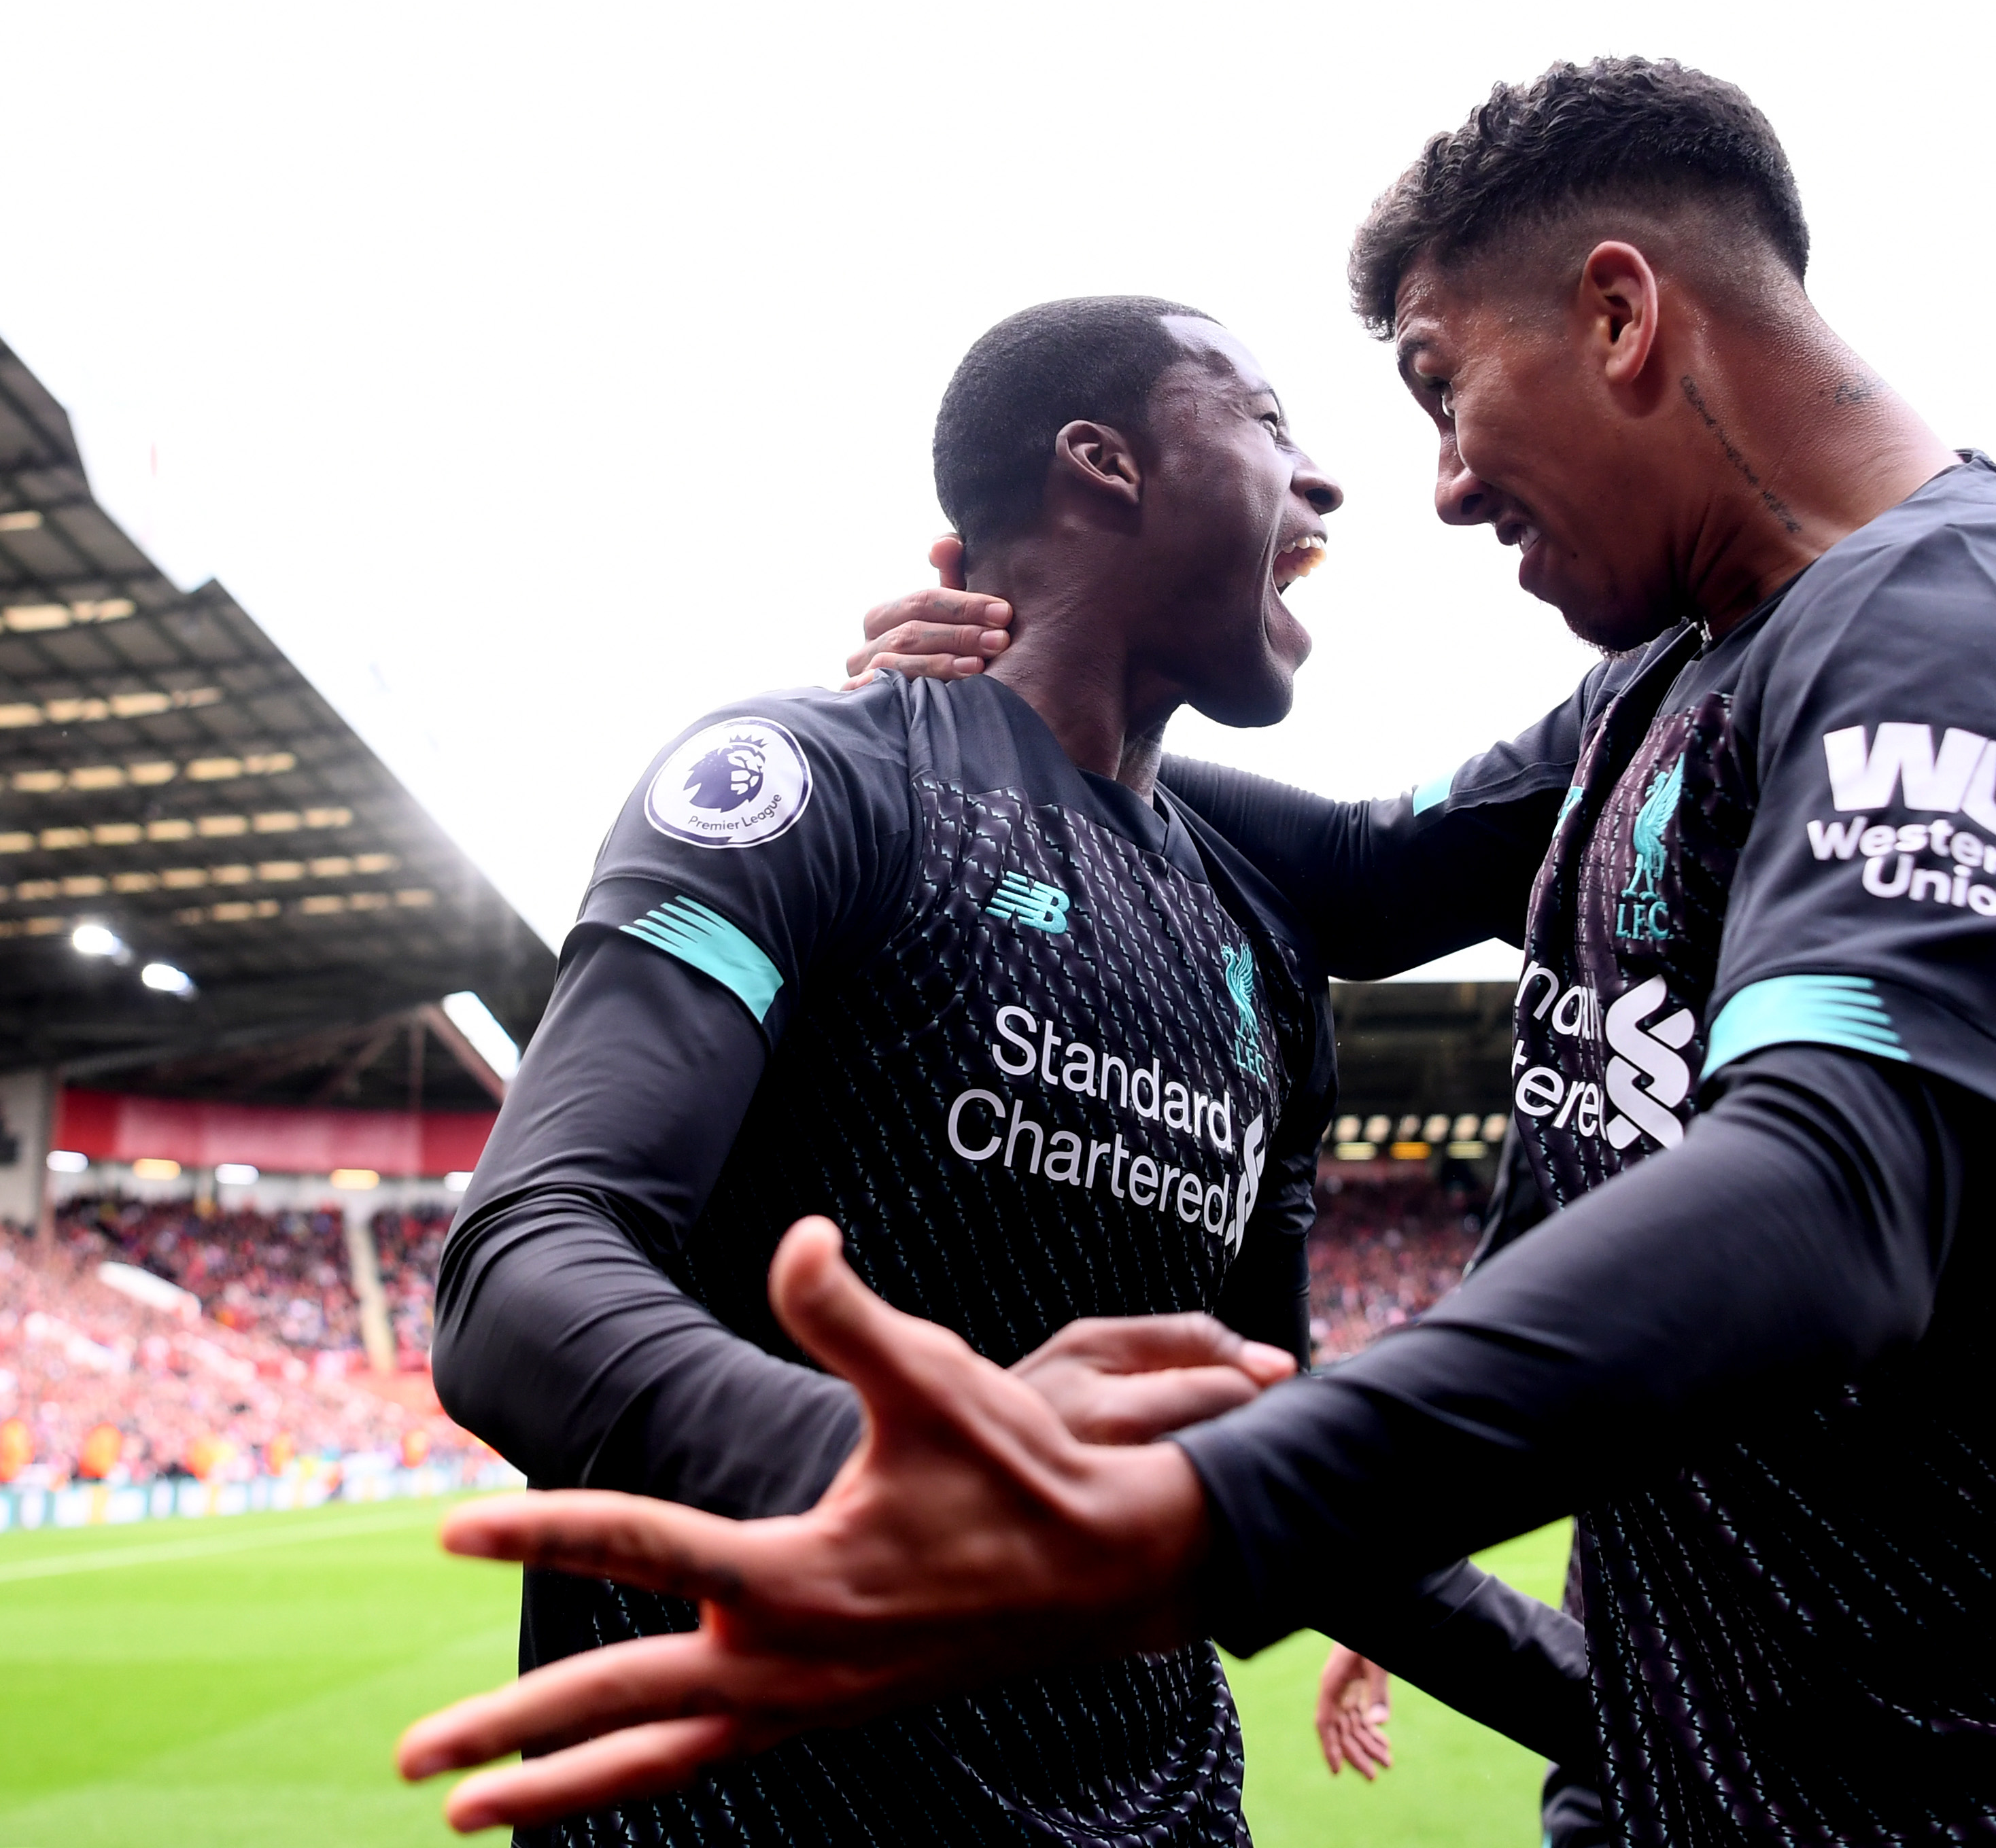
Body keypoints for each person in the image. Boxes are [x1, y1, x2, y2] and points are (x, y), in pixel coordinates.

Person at [402, 58, 1996, 1844]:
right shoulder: (1649, 697)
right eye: (1318, 423)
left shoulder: (1978, 617)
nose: (1430, 485)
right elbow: (1359, 870)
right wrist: (973, 722)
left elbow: (1845, 1179)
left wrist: (1167, 1518)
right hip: (1691, 1779)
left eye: (1433, 384)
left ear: (1624, 315)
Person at [430, 294, 1597, 1847]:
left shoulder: (1254, 930)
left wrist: (1622, 1711)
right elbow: (518, 1269)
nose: (1322, 482)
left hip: (1162, 1809)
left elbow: (1263, 1450)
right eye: (1264, 424)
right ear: (1102, 465)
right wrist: (871, 1466)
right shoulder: (810, 780)